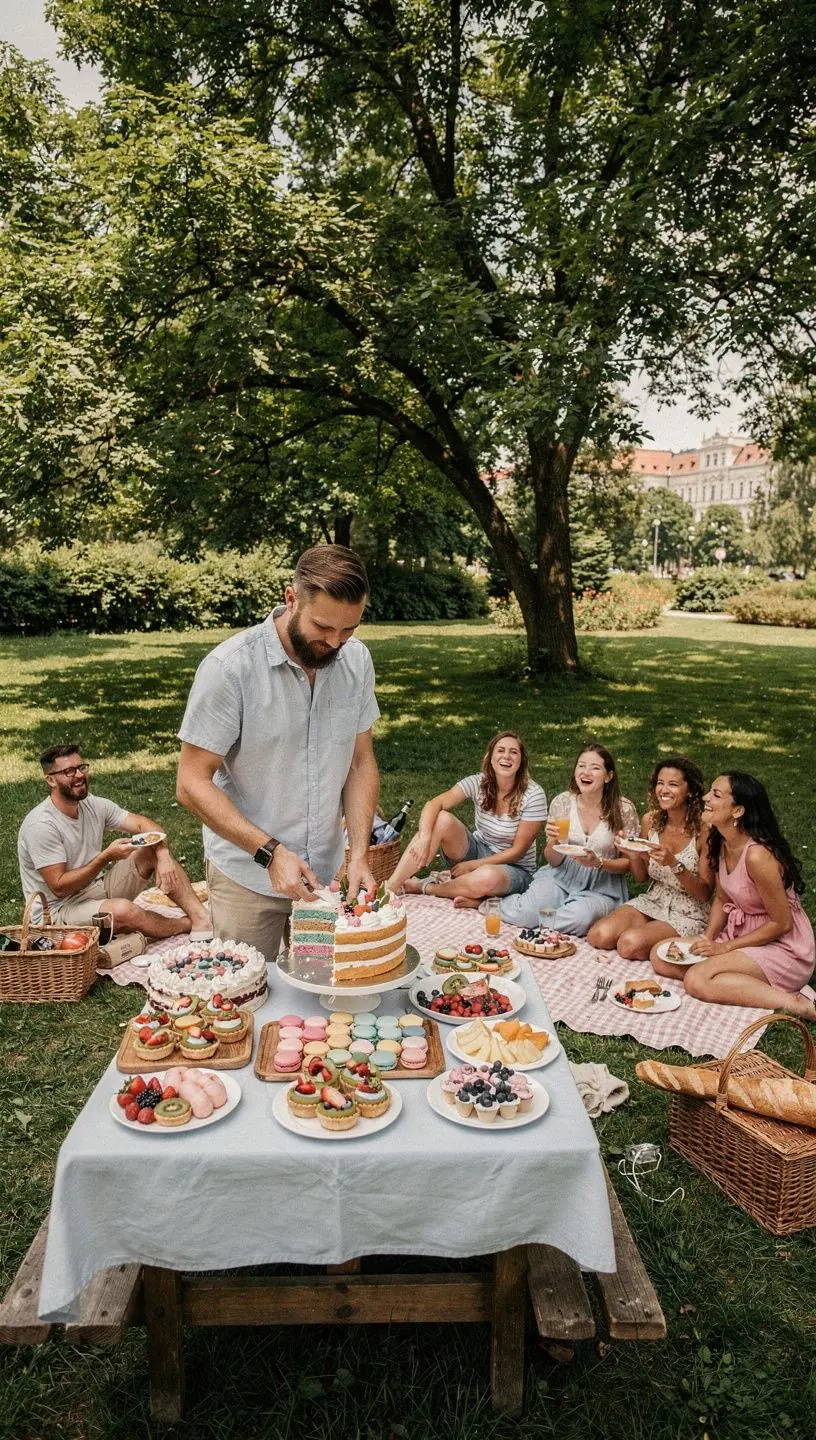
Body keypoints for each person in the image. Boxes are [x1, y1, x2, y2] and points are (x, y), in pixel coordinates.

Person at [176, 544, 380, 961]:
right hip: (247, 878)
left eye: (349, 630)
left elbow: (360, 763)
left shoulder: (356, 661)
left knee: (322, 999)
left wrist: (358, 852)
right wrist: (269, 853)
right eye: (324, 627)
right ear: (292, 598)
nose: (336, 642)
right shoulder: (229, 669)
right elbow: (191, 784)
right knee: (245, 1002)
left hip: (324, 875)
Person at [18, 744, 210, 939]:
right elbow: (59, 887)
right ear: (50, 780)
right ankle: (186, 924)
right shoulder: (41, 825)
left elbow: (144, 825)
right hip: (59, 912)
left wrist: (163, 856)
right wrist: (105, 858)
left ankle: (202, 919)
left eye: (81, 767)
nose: (78, 775)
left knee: (151, 850)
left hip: (96, 889)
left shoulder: (91, 804)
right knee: (124, 911)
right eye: (68, 771)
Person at [669, 772, 816, 1018]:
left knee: (696, 979)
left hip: (783, 947)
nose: (705, 797)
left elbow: (782, 924)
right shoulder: (722, 841)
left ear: (738, 811)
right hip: (742, 934)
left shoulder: (758, 856)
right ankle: (738, 981)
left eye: (716, 794)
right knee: (663, 957)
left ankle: (798, 1003)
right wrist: (708, 938)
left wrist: (724, 948)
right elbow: (722, 898)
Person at [387, 731, 546, 907]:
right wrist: (425, 837)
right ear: (490, 757)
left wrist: (473, 866)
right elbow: (434, 804)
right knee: (441, 820)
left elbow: (518, 851)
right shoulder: (478, 782)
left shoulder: (534, 795)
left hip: (514, 868)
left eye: (514, 752)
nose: (506, 756)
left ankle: (425, 887)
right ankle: (390, 888)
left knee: (486, 878)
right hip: (478, 850)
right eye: (500, 750)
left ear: (521, 761)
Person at [500, 743, 638, 933]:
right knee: (525, 913)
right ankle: (496, 905)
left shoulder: (624, 810)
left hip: (601, 885)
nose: (586, 772)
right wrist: (555, 842)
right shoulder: (563, 802)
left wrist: (598, 863)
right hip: (560, 875)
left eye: (595, 768)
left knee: (580, 917)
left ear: (609, 776)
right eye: (581, 765)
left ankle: (538, 927)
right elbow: (553, 860)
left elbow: (629, 864)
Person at [588, 756, 712, 961]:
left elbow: (705, 893)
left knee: (628, 945)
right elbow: (641, 878)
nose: (664, 790)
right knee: (598, 936)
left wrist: (673, 863)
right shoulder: (651, 821)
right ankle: (650, 934)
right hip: (655, 899)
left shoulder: (704, 830)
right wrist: (633, 855)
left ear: (690, 791)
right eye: (660, 783)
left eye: (673, 784)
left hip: (688, 911)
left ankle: (658, 939)